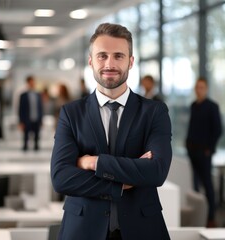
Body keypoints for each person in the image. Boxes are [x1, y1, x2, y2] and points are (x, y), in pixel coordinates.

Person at [51, 23, 172, 240]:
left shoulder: (154, 112)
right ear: (90, 61)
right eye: (102, 56)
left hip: (142, 229)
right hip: (82, 230)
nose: (110, 63)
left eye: (118, 56)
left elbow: (157, 171)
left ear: (131, 61)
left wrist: (93, 162)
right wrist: (123, 182)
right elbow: (61, 178)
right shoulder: (71, 113)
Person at [186, 77, 223, 228]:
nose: (199, 90)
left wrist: (210, 148)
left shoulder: (212, 106)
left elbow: (218, 129)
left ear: (206, 89)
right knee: (195, 185)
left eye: (201, 87)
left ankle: (211, 218)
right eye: (197, 87)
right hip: (192, 150)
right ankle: (198, 218)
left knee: (207, 185)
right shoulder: (193, 105)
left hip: (204, 152)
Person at [18, 75, 43, 151]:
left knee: (37, 134)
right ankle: (25, 146)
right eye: (30, 82)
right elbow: (21, 109)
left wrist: (41, 119)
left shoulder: (38, 94)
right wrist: (21, 121)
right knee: (26, 134)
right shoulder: (23, 95)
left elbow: (40, 108)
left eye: (33, 82)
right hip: (27, 118)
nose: (32, 84)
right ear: (27, 83)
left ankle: (36, 147)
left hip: (36, 118)